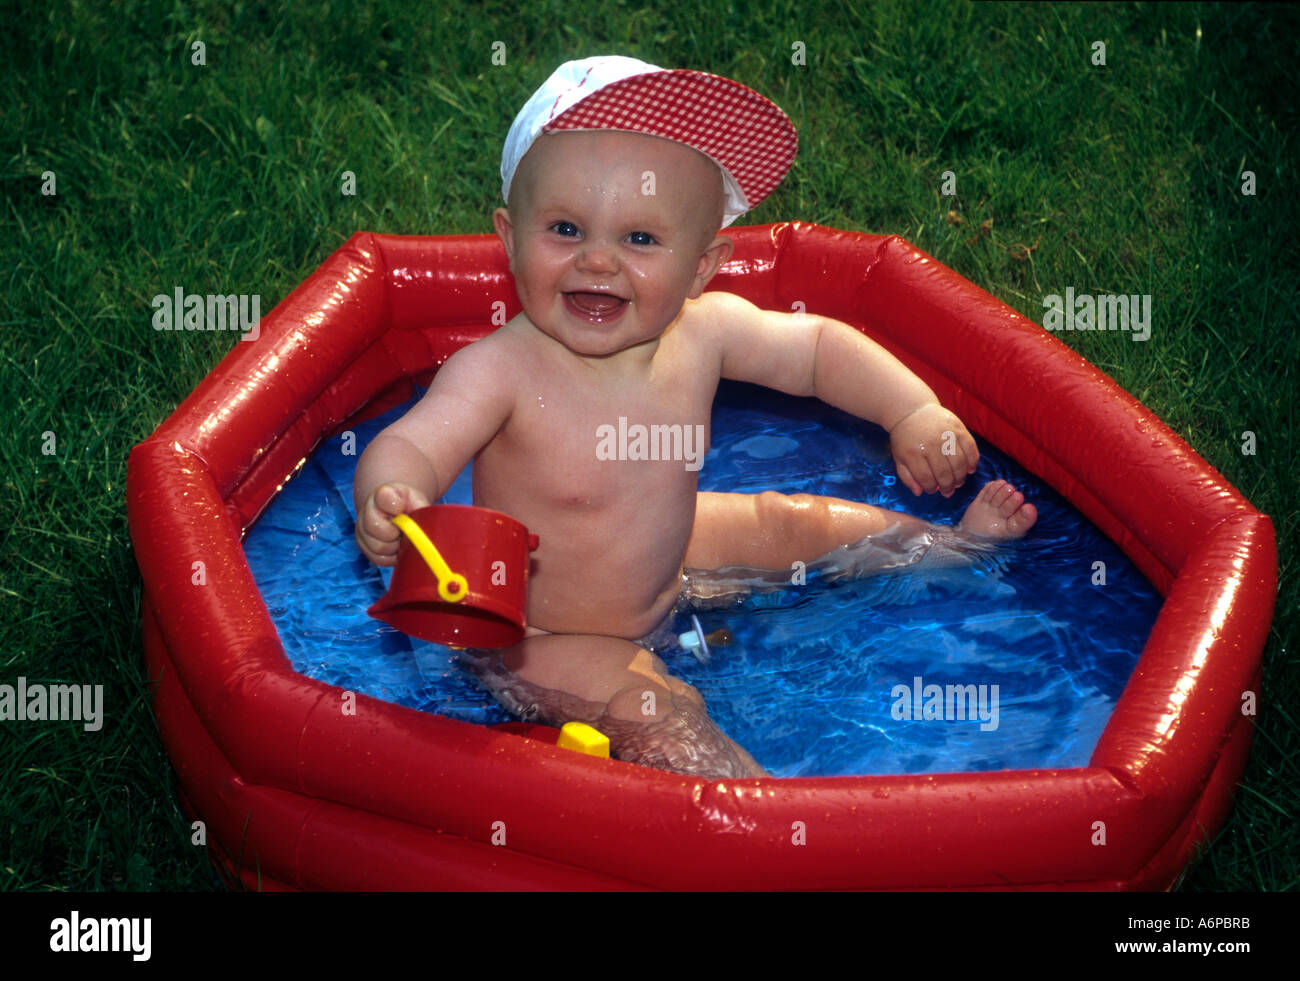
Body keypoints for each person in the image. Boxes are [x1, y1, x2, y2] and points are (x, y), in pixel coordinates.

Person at [354, 56, 1037, 779]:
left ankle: (950, 549)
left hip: (669, 569)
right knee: (659, 706)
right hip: (540, 632)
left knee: (795, 522)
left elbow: (815, 350)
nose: (599, 261)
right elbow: (413, 443)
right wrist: (391, 496)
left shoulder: (703, 333)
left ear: (703, 266)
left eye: (640, 239)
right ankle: (768, 819)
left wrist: (911, 409)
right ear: (510, 238)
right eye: (564, 228)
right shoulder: (501, 371)